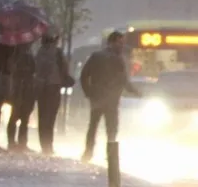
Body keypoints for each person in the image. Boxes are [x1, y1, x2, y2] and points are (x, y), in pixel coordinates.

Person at [80, 31, 140, 162]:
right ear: (112, 42)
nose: (121, 46)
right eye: (119, 43)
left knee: (94, 126)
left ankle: (88, 152)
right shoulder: (118, 59)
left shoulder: (97, 56)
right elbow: (124, 80)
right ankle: (110, 156)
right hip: (111, 99)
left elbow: (84, 75)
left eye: (122, 43)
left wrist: (88, 93)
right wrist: (135, 92)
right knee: (111, 128)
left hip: (98, 98)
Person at [34, 30, 72, 155]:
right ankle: (48, 145)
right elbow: (64, 69)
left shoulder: (39, 52)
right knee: (51, 117)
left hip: (40, 88)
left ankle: (44, 145)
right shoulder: (57, 52)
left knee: (42, 116)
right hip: (53, 86)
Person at [6, 44, 36, 152]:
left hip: (24, 89)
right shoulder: (16, 55)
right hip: (20, 89)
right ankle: (14, 142)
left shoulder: (25, 55)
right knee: (17, 116)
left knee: (23, 117)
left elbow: (33, 69)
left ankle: (19, 142)